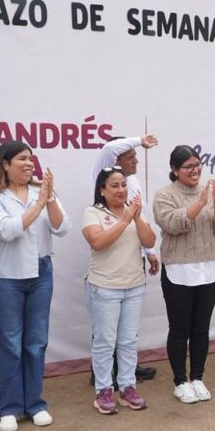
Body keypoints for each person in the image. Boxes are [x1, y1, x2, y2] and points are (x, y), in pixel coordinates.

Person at [0, 141, 69, 431]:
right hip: (6, 277)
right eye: (22, 159)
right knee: (10, 343)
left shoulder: (41, 191)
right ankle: (9, 408)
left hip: (41, 273)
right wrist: (39, 203)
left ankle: (35, 404)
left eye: (31, 158)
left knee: (36, 342)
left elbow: (62, 227)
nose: (29, 163)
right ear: (5, 164)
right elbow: (8, 230)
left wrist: (49, 198)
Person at [152, 146, 215, 403]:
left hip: (209, 267)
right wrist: (200, 202)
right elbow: (172, 224)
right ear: (175, 170)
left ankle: (197, 377)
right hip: (178, 269)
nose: (195, 170)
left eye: (197, 164)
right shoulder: (164, 194)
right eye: (188, 166)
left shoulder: (208, 192)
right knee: (179, 329)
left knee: (201, 328)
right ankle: (180, 381)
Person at [83, 166, 156, 412]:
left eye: (124, 184)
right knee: (105, 341)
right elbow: (98, 242)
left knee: (128, 341)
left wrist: (136, 218)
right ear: (102, 190)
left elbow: (150, 241)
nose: (121, 190)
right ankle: (104, 391)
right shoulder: (93, 212)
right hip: (105, 288)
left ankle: (127, 388)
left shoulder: (133, 212)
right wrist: (125, 220)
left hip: (134, 286)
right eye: (114, 185)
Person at [91, 134, 160, 383]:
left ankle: (125, 371)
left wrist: (149, 252)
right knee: (106, 328)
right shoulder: (103, 173)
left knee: (128, 328)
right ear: (115, 161)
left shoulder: (134, 182)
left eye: (136, 156)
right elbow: (110, 147)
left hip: (134, 256)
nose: (136, 161)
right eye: (130, 157)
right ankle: (101, 376)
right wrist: (140, 139)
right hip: (110, 257)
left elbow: (141, 217)